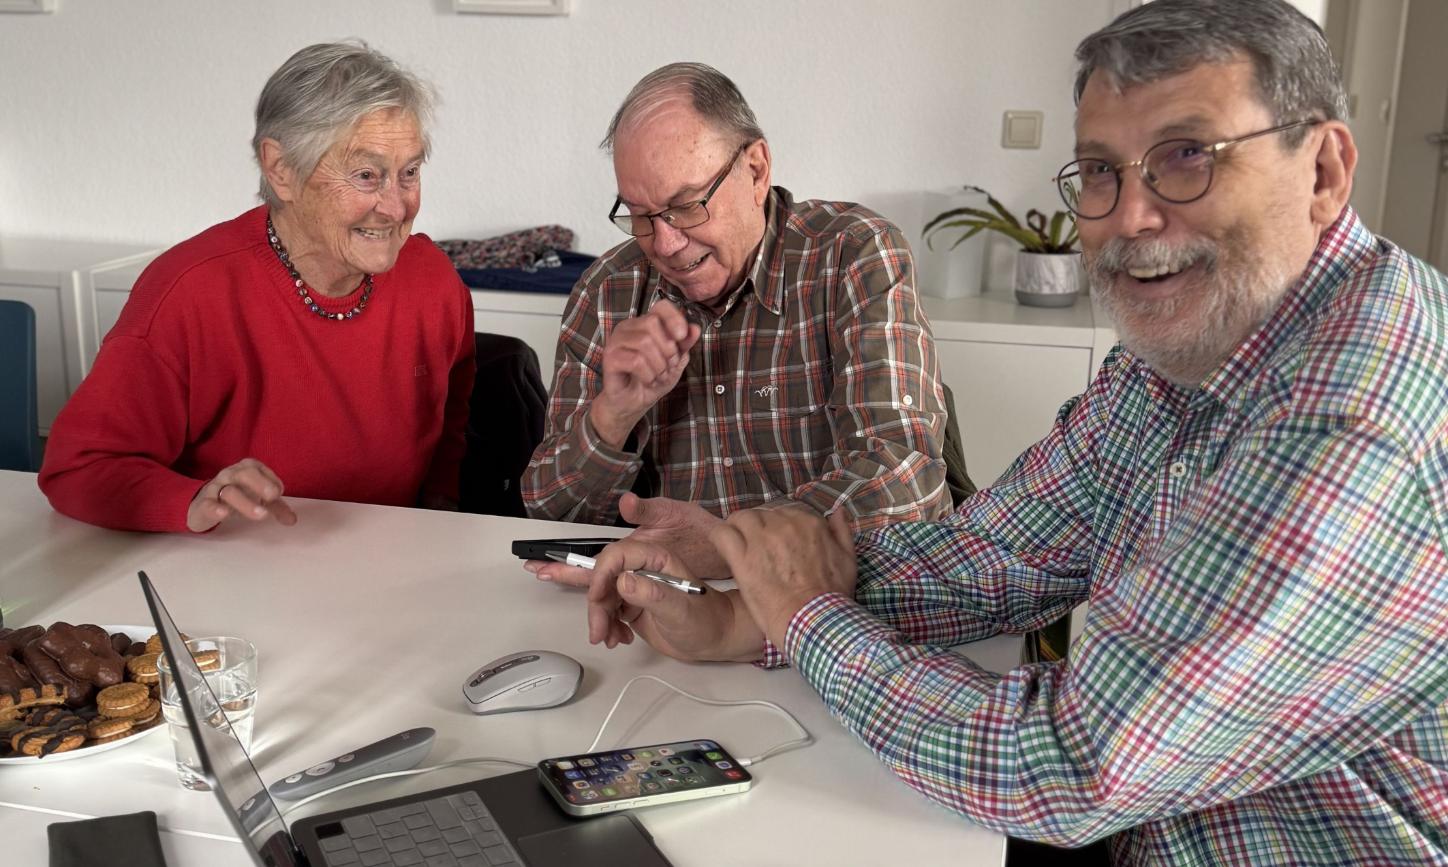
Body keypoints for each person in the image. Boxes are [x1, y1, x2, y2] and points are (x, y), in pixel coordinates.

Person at [577, 1, 1448, 862]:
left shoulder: (1353, 413)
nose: (1131, 216)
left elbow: (1070, 765)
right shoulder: (1183, 352)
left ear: (1325, 170)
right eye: (1101, 171)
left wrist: (805, 615)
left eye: (1188, 156)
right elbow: (998, 556)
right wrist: (742, 596)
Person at [520, 63, 954, 568]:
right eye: (639, 215)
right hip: (663, 603)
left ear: (756, 169)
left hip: (834, 601)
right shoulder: (607, 292)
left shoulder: (852, 255)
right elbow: (548, 513)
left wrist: (726, 547)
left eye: (686, 206)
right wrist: (614, 415)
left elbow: (904, 482)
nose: (664, 243)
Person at [38, 42, 474, 534]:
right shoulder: (190, 292)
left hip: (390, 564)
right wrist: (194, 499)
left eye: (409, 173)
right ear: (281, 170)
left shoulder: (433, 280)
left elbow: (452, 430)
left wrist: (442, 515)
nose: (397, 208)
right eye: (367, 176)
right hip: (235, 568)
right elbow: (80, 467)